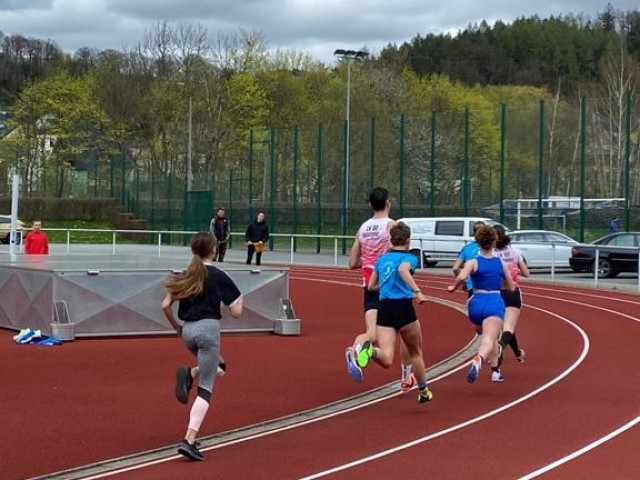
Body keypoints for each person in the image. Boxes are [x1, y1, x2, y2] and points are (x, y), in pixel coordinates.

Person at [162, 232, 243, 461]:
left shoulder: (187, 274)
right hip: (208, 331)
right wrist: (237, 301)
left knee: (220, 366)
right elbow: (236, 312)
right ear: (214, 250)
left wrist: (177, 328)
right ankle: (189, 439)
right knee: (206, 387)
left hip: (188, 330)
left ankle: (191, 373)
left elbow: (165, 305)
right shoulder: (219, 275)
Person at [344, 187, 415, 392]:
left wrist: (369, 261)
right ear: (388, 203)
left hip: (369, 285)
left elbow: (352, 263)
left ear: (370, 205)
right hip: (390, 286)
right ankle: (405, 375)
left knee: (372, 333)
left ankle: (354, 350)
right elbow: (401, 253)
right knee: (405, 330)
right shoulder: (393, 226)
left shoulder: (363, 228)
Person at [356, 222, 434, 403]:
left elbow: (371, 286)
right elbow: (403, 270)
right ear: (408, 240)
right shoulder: (410, 258)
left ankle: (371, 352)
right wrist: (418, 292)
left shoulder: (382, 259)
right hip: (404, 309)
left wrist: (385, 285)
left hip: (384, 309)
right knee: (415, 352)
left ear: (391, 240)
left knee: (386, 357)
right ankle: (423, 391)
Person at [447, 224, 515, 383]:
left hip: (475, 304)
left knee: (484, 332)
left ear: (477, 242)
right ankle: (479, 359)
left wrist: (453, 287)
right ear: (494, 242)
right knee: (489, 339)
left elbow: (462, 277)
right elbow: (511, 287)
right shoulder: (500, 263)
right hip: (493, 303)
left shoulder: (472, 262)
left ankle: (495, 372)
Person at [493, 225, 530, 370]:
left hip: (496, 293)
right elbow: (526, 273)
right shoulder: (516, 253)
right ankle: (502, 346)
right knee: (509, 327)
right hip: (513, 292)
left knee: (503, 327)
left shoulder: (491, 255)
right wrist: (516, 271)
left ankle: (515, 352)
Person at [451, 221, 485, 298]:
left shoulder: (466, 248)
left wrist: (463, 282)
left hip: (472, 286)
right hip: (490, 288)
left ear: (474, 233)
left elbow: (455, 268)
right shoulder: (491, 247)